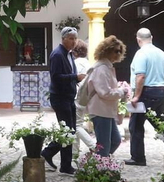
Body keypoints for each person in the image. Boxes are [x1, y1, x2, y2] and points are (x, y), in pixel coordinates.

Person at [127, 27, 164, 166]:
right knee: (160, 123)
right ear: (151, 37)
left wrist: (136, 96)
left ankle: (138, 157)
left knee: (136, 125)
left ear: (138, 40)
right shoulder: (161, 53)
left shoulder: (141, 54)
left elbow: (140, 76)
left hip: (147, 92)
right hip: (161, 90)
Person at [43, 27, 82, 173]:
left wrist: (76, 80)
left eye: (75, 38)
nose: (73, 41)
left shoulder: (69, 54)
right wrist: (75, 78)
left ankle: (65, 164)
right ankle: (48, 153)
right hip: (60, 97)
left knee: (69, 131)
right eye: (71, 38)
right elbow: (56, 77)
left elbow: (70, 73)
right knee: (68, 132)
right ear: (63, 38)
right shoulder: (57, 55)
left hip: (69, 97)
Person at [82, 36, 128, 156]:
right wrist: (122, 91)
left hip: (105, 110)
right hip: (100, 110)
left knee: (115, 141)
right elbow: (105, 92)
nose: (118, 53)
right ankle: (99, 168)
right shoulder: (102, 68)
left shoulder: (107, 67)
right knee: (104, 145)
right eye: (115, 51)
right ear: (106, 50)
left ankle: (98, 163)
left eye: (120, 51)